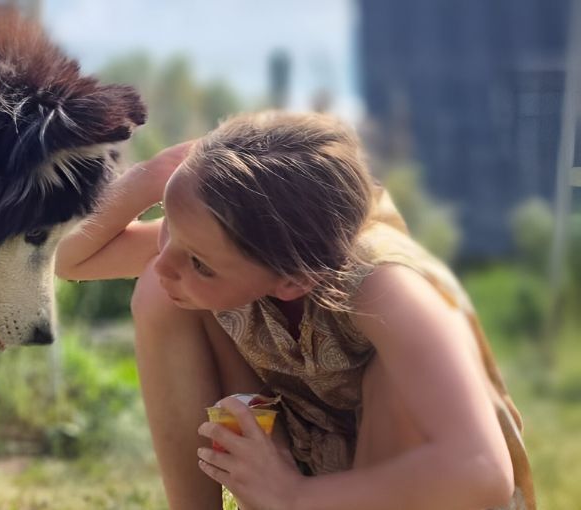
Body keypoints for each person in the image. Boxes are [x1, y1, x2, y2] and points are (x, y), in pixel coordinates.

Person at [55, 111, 533, 510]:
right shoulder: (220, 235)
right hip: (306, 461)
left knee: (389, 378)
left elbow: (481, 471)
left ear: (294, 279)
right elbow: (68, 257)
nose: (165, 260)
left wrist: (298, 495)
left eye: (199, 262)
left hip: (409, 487)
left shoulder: (387, 285)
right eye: (169, 228)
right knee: (159, 293)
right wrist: (157, 175)